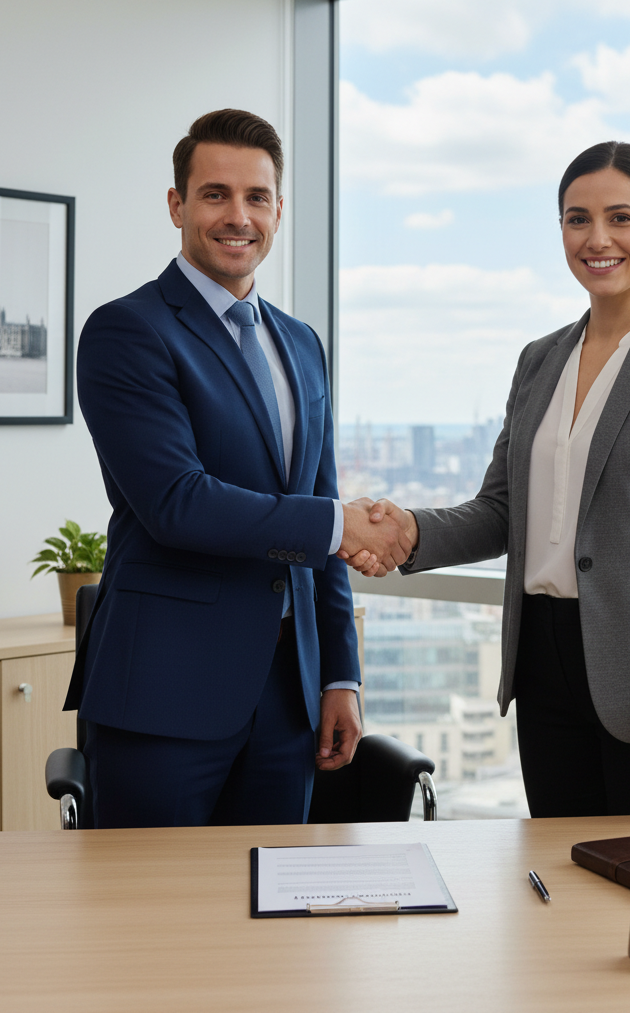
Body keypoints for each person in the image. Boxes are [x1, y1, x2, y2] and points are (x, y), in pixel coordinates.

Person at [343, 142, 630, 817]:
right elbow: (503, 510)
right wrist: (408, 531)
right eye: (577, 219)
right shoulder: (540, 360)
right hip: (543, 668)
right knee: (561, 872)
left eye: (620, 217)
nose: (597, 239)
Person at [66, 109, 410, 829]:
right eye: (215, 194)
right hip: (164, 692)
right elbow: (177, 502)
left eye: (257, 197)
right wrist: (339, 525)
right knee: (151, 896)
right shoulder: (127, 330)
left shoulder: (302, 343)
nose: (238, 217)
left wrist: (339, 674)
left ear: (278, 210)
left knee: (274, 894)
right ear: (177, 205)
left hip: (289, 698)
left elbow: (319, 501)